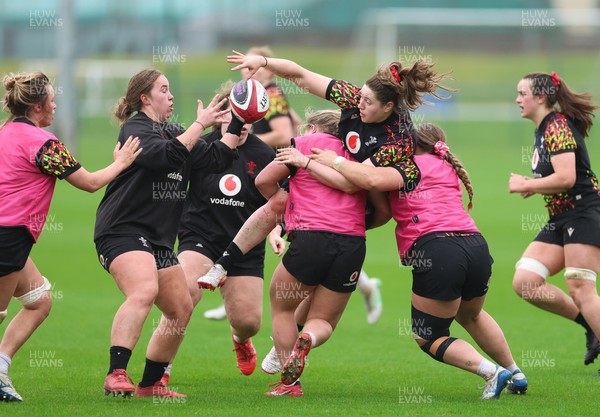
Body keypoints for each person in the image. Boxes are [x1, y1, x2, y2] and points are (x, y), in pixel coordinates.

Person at [300, 123, 527, 399]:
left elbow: (369, 180)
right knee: (472, 314)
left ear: (409, 144)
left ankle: (492, 372)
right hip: (475, 245)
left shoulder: (408, 166)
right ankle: (515, 372)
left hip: (438, 250)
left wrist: (333, 161)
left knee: (428, 335)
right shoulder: (445, 165)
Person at [198, 50, 452, 291]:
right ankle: (222, 265)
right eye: (360, 96)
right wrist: (263, 61)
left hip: (366, 186)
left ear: (387, 108)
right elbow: (300, 75)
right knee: (279, 203)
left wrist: (319, 163)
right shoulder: (354, 97)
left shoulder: (398, 140)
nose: (359, 103)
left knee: (320, 233)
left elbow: (355, 182)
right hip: (340, 167)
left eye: (368, 101)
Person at [94, 68, 240, 398]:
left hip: (157, 239)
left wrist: (236, 126)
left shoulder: (174, 131)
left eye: (171, 89)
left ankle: (150, 385)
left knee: (180, 307)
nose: (171, 95)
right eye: (164, 89)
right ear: (145, 98)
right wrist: (200, 125)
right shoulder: (135, 129)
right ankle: (116, 373)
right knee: (143, 290)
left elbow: (215, 157)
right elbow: (166, 156)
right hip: (122, 230)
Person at [0, 71, 141, 402]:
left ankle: (1, 366)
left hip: (12, 237)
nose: (55, 105)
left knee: (39, 300)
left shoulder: (4, 132)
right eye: (51, 100)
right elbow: (90, 183)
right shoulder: (46, 144)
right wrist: (121, 162)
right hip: (9, 236)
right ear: (37, 107)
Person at [160, 80, 275, 383]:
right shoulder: (200, 145)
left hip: (243, 245)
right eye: (236, 114)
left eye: (249, 117)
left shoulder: (265, 155)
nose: (242, 122)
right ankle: (159, 372)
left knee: (249, 322)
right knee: (182, 297)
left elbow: (275, 205)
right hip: (200, 238)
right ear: (221, 114)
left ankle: (240, 340)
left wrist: (275, 233)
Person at [253, 110, 370, 397]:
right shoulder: (357, 154)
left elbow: (262, 181)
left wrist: (285, 200)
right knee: (325, 320)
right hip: (352, 243)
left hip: (311, 237)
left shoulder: (303, 144)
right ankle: (308, 337)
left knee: (282, 307)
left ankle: (289, 385)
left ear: (315, 127)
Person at [509, 71, 600, 366]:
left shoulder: (557, 126)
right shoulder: (544, 127)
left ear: (541, 97)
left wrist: (527, 185)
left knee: (581, 288)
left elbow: (567, 177)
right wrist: (533, 184)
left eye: (523, 94)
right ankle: (590, 326)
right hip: (561, 217)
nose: (517, 99)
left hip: (583, 213)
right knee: (526, 283)